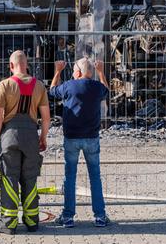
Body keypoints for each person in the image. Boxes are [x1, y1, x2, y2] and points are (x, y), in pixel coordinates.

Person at [0, 50, 50, 234]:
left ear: (10, 66)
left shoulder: (5, 85)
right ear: (27, 64)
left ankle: (8, 224)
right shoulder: (39, 86)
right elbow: (46, 117)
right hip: (31, 137)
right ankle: (32, 222)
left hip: (9, 137)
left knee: (9, 179)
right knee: (30, 179)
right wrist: (43, 137)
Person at [49, 57, 110, 228]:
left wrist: (58, 71)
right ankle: (100, 216)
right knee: (95, 177)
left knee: (70, 177)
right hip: (92, 137)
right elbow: (106, 89)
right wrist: (100, 71)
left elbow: (52, 90)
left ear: (78, 72)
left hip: (72, 138)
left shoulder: (69, 85)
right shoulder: (97, 87)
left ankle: (68, 216)